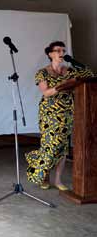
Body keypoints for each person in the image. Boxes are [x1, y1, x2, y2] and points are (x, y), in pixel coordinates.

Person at [25, 41, 95, 189]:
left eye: (63, 50)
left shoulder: (69, 71)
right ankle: (43, 175)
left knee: (62, 147)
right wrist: (64, 85)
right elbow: (46, 92)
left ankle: (57, 181)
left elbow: (89, 75)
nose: (61, 53)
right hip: (49, 113)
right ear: (50, 54)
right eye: (58, 50)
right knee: (50, 145)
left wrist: (75, 63)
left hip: (67, 112)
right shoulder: (42, 72)